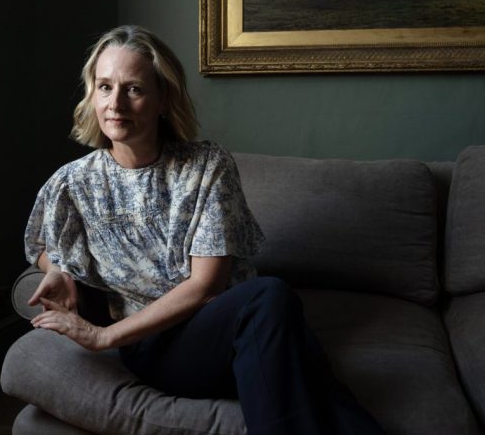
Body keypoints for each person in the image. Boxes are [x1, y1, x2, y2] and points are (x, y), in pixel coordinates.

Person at [23, 25, 384, 435]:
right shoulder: (73, 183)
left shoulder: (207, 167)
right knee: (273, 304)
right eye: (105, 87)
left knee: (293, 345)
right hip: (160, 347)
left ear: (163, 99)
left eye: (134, 89)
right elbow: (39, 241)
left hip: (223, 326)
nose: (116, 103)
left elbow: (206, 287)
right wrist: (58, 269)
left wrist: (103, 337)